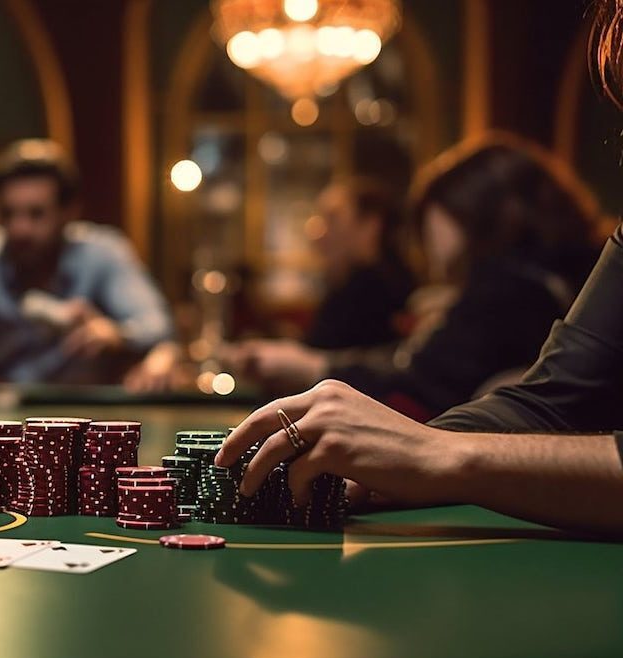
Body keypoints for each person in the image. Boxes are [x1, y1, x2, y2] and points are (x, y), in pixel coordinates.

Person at [216, 0, 623, 536]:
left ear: (477, 212)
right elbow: (549, 401)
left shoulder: (507, 284)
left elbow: (429, 386)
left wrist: (439, 455)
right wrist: (396, 464)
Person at [230, 136, 604, 420]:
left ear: (469, 209)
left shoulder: (512, 287)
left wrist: (311, 367)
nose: (425, 234)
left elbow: (423, 377)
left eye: (432, 211)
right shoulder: (548, 276)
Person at [0, 139, 178, 393]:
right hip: (0, 423)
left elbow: (156, 325)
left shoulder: (102, 253)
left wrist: (117, 333)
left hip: (86, 420)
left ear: (69, 212)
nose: (20, 228)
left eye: (36, 214)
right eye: (8, 213)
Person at [301, 179, 414, 351]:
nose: (316, 233)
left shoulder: (375, 291)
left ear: (371, 225)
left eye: (333, 218)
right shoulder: (348, 284)